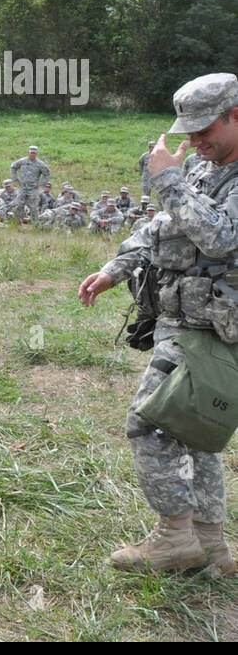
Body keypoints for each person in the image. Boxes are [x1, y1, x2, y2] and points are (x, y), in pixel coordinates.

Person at [79, 73, 238, 574]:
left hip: (212, 329)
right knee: (195, 430)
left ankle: (174, 539)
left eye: (203, 128)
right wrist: (116, 267)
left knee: (148, 424)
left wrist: (167, 180)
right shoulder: (198, 168)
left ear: (236, 115)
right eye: (187, 131)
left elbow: (220, 238)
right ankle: (211, 547)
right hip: (183, 319)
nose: (193, 140)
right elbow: (161, 226)